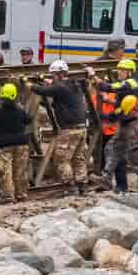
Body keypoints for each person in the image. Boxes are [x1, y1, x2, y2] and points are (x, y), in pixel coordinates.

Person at [32, 60, 90, 193]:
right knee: (78, 158)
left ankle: (70, 187)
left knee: (61, 159)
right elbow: (55, 85)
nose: (52, 77)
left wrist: (27, 83)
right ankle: (82, 186)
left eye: (53, 75)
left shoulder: (60, 87)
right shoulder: (74, 84)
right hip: (81, 128)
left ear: (60, 74)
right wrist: (43, 79)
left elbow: (42, 90)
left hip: (68, 130)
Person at [0, 82, 36, 204]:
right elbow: (29, 120)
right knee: (20, 170)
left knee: (6, 171)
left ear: (1, 95)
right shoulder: (20, 112)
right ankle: (21, 194)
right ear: (15, 96)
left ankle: (9, 197)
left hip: (4, 144)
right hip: (21, 143)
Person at [104, 95, 138, 193]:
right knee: (111, 148)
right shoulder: (124, 106)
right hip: (124, 126)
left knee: (134, 154)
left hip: (134, 126)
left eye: (129, 113)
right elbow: (113, 115)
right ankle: (106, 178)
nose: (126, 114)